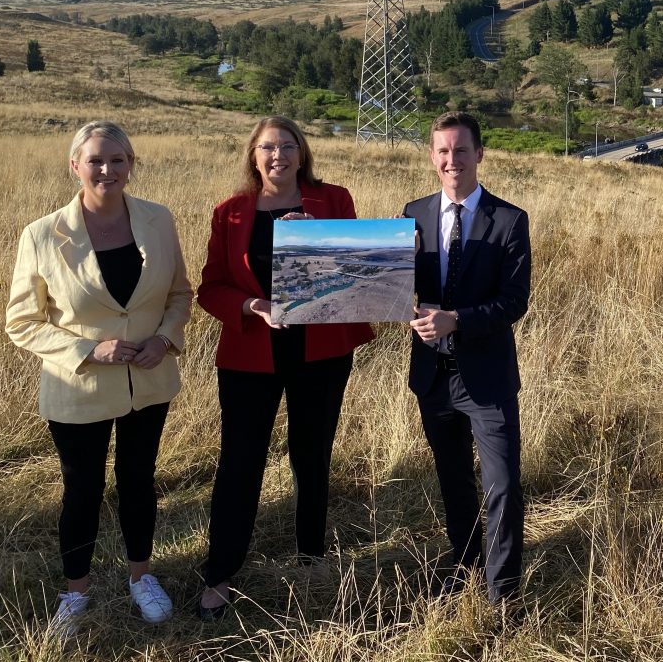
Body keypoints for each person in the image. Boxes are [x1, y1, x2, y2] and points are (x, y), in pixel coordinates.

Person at [5, 121, 192, 633]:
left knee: (138, 482)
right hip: (78, 387)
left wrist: (165, 339)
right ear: (75, 167)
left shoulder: (158, 219)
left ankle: (141, 578)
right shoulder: (42, 235)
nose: (107, 170)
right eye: (95, 160)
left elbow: (179, 293)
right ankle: (76, 591)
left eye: (117, 160)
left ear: (131, 165)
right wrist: (90, 348)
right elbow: (21, 322)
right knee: (82, 489)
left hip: (149, 382)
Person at [195, 115, 374, 620]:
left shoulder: (333, 200)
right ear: (253, 155)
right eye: (268, 147)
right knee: (239, 462)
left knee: (312, 454)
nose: (279, 156)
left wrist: (320, 236)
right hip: (251, 353)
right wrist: (253, 308)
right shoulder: (230, 212)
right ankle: (220, 571)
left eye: (288, 146)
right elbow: (211, 286)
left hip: (321, 351)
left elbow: (357, 266)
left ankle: (310, 555)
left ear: (303, 152)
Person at [404, 111, 531, 605]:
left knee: (502, 486)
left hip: (487, 379)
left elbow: (514, 301)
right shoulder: (411, 215)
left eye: (460, 150)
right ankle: (464, 570)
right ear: (432, 156)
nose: (450, 160)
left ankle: (503, 596)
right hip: (432, 377)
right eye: (442, 151)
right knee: (454, 481)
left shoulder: (510, 220)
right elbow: (387, 282)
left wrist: (457, 319)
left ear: (479, 154)